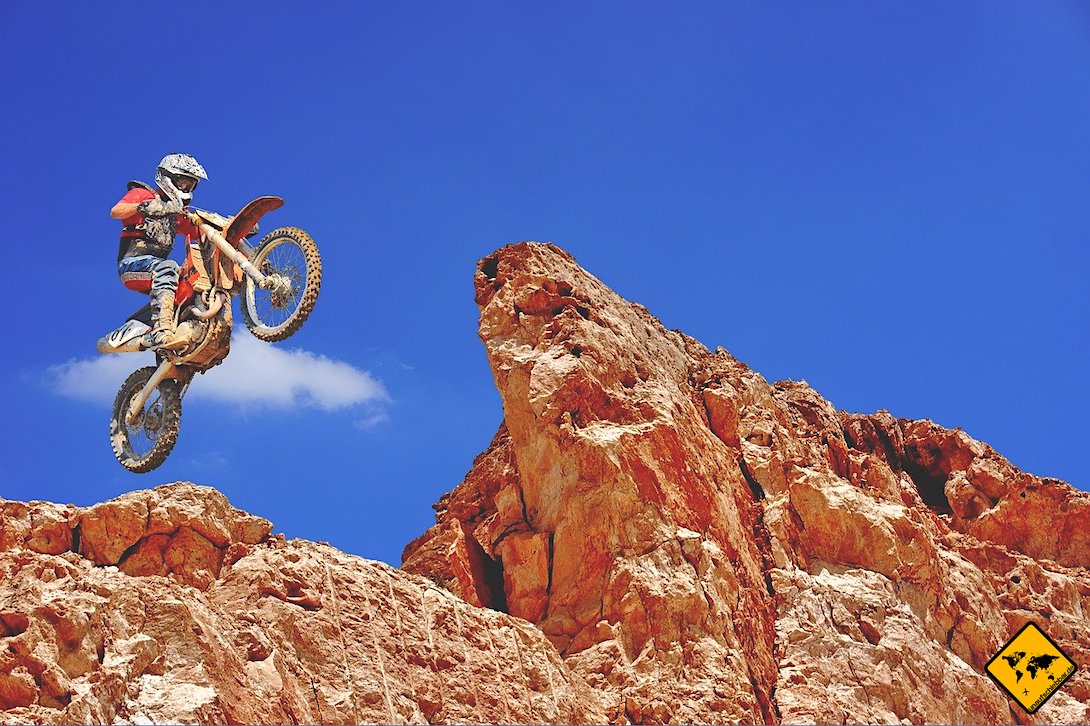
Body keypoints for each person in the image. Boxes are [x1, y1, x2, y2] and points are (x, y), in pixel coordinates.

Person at [110, 154, 208, 350]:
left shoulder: (176, 215)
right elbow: (116, 211)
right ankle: (161, 331)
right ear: (168, 177)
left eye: (190, 185)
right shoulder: (143, 194)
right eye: (182, 183)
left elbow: (202, 233)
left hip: (159, 272)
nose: (185, 189)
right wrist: (144, 207)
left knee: (192, 279)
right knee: (169, 266)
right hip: (132, 264)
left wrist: (234, 229)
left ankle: (184, 328)